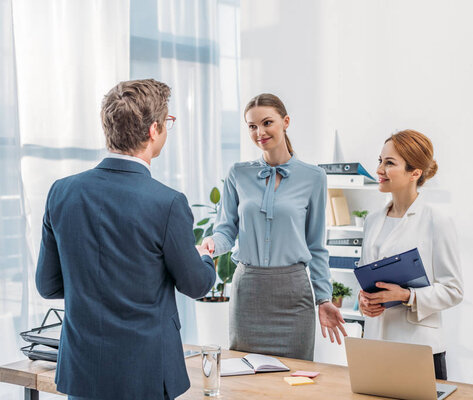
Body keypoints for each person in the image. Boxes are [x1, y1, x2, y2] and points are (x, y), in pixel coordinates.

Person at [35, 79, 216, 400]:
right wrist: (203, 256)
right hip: (146, 373)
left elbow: (48, 285)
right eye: (168, 123)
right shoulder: (168, 202)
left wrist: (93, 284)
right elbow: (196, 285)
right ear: (154, 130)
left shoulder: (61, 192)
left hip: (83, 371)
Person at [200, 93, 347, 361]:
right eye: (252, 126)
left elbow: (316, 245)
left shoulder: (314, 177)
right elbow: (225, 231)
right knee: (244, 377)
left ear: (285, 122)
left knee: (295, 380)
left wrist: (324, 299)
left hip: (294, 294)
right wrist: (212, 244)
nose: (260, 132)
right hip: (248, 291)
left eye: (267, 122)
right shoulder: (237, 173)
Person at [358, 129, 463, 380]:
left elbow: (453, 290)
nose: (379, 170)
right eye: (380, 161)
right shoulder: (372, 221)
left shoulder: (437, 221)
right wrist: (364, 302)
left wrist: (408, 295)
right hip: (375, 344)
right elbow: (366, 278)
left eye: (390, 163)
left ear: (415, 173)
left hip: (419, 348)